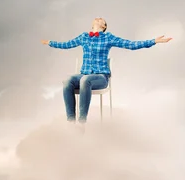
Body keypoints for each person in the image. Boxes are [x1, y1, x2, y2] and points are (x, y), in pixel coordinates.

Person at [41, 17, 172, 129]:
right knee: (68, 80)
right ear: (92, 24)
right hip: (84, 74)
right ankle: (70, 122)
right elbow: (67, 44)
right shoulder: (84, 37)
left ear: (103, 26)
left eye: (101, 19)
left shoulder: (108, 37)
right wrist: (50, 43)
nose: (98, 18)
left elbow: (131, 45)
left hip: (100, 77)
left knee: (85, 80)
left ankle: (81, 123)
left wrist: (153, 41)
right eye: (97, 18)